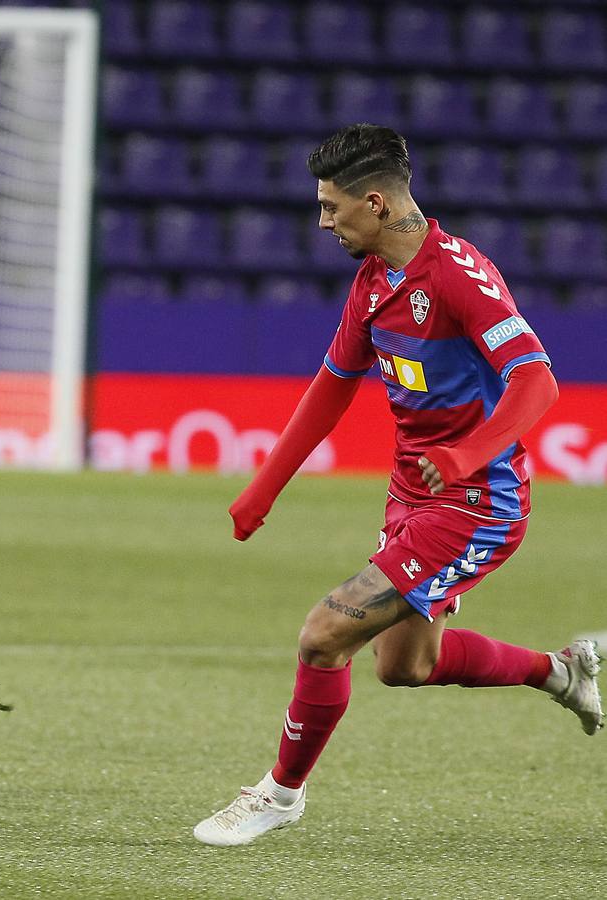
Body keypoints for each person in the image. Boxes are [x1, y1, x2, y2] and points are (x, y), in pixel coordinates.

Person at [192, 124, 601, 847]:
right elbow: (332, 385)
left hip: (476, 503)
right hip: (413, 495)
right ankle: (560, 671)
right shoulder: (374, 280)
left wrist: (473, 453)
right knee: (407, 666)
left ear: (374, 202)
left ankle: (279, 795)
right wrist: (264, 487)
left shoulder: (459, 276)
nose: (323, 221)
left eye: (330, 206)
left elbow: (536, 381)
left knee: (324, 636)